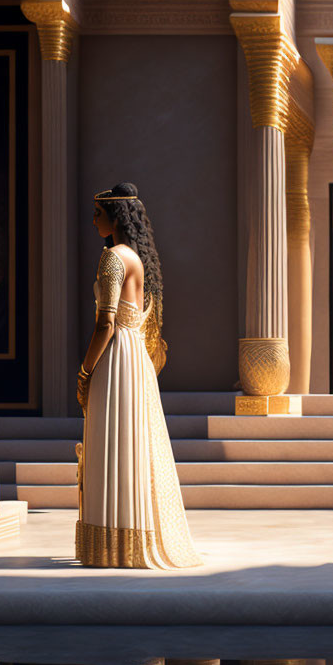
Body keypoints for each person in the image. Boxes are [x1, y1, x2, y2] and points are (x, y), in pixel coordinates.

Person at [75, 182, 201, 569]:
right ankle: (126, 543)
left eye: (98, 213)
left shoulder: (114, 257)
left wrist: (84, 370)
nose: (93, 219)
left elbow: (105, 323)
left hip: (115, 359)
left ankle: (112, 545)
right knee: (130, 446)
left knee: (113, 442)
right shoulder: (137, 258)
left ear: (114, 217)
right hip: (134, 360)